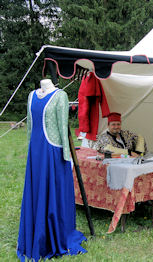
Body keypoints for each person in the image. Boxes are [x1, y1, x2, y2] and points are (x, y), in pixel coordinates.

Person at [17, 79, 87, 261]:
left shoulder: (57, 96)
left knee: (46, 191)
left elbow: (61, 128)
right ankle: (48, 236)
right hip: (45, 152)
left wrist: (64, 154)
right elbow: (55, 128)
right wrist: (67, 156)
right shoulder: (34, 96)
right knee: (49, 191)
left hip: (46, 150)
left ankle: (44, 234)